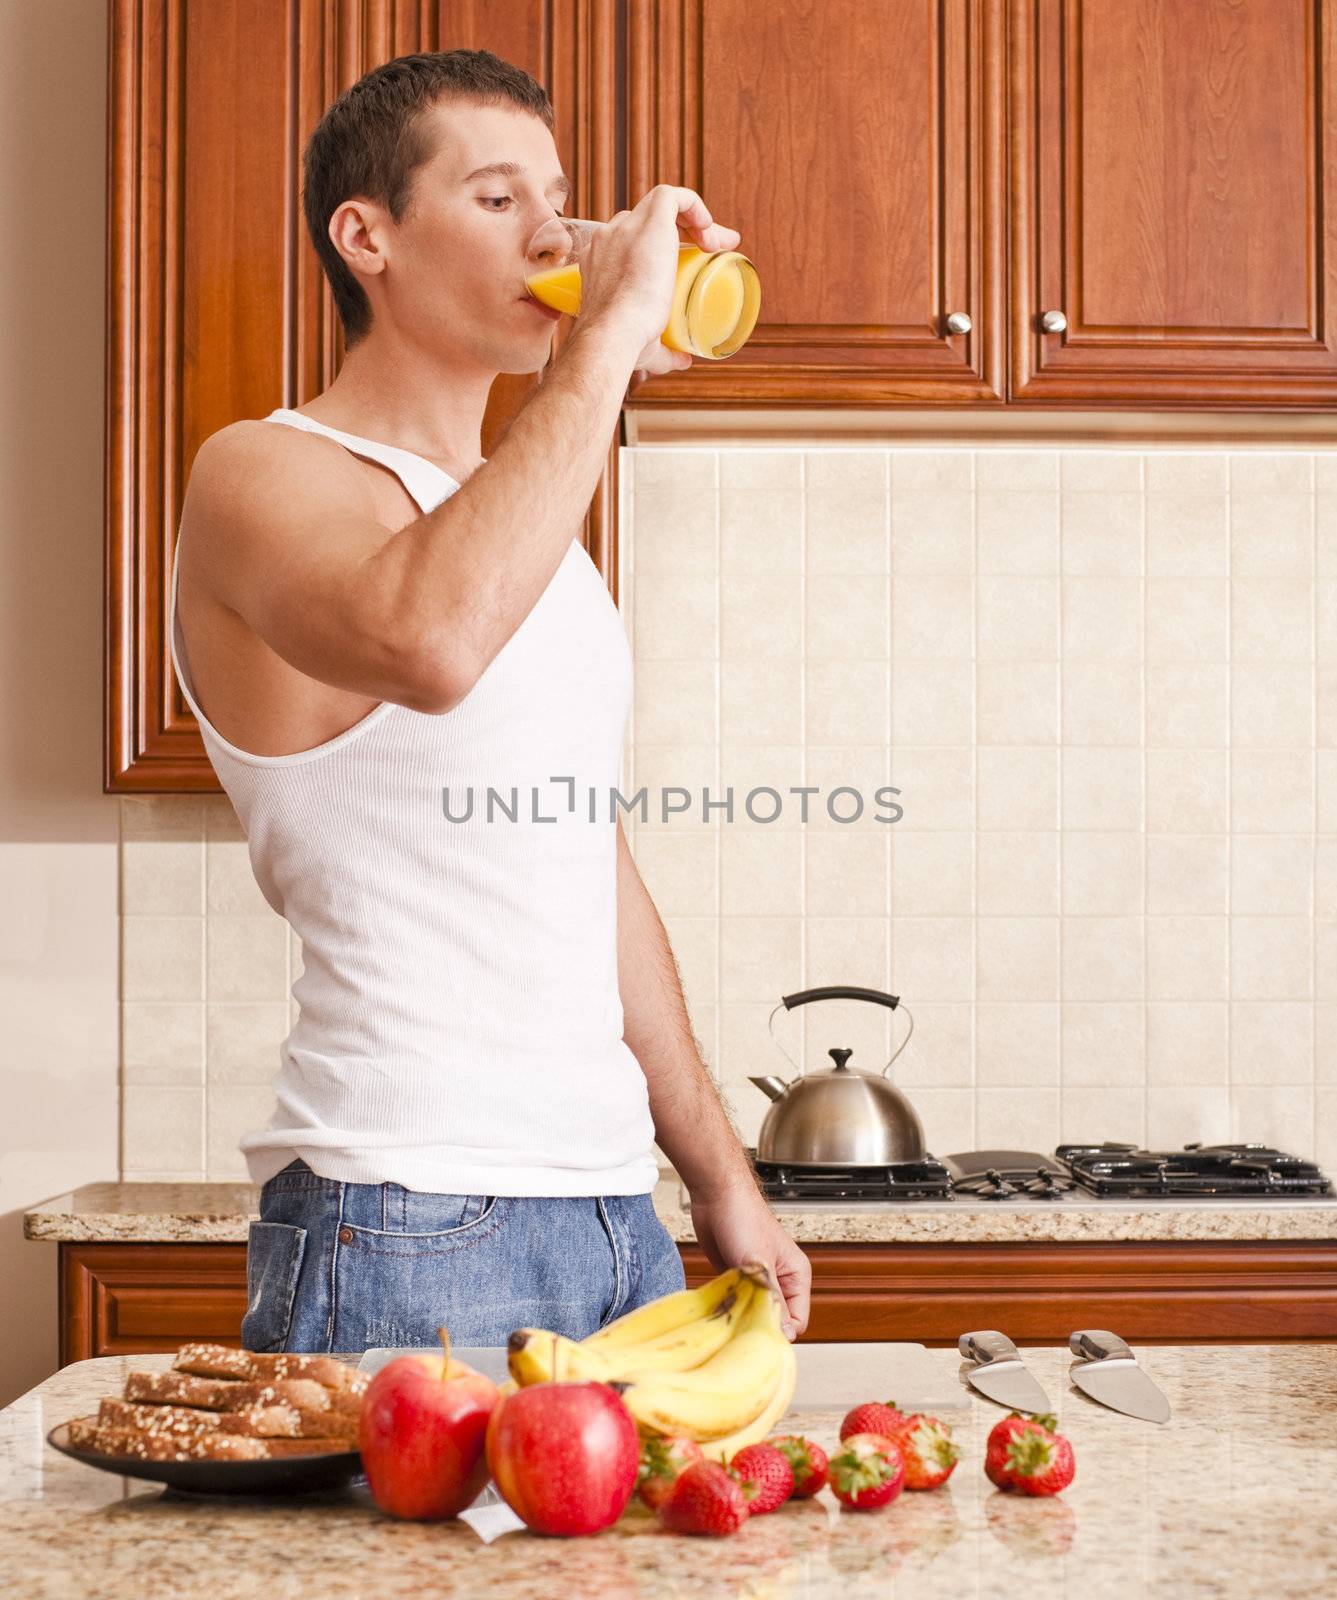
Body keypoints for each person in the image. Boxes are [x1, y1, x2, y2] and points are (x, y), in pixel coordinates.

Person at [170, 49, 810, 1356]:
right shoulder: (261, 476)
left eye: (559, 201)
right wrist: (615, 334)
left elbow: (588, 870)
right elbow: (430, 638)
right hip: (402, 1208)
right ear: (369, 237)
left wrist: (719, 1181)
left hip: (608, 1210)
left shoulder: (541, 548)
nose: (552, 233)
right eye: (497, 198)